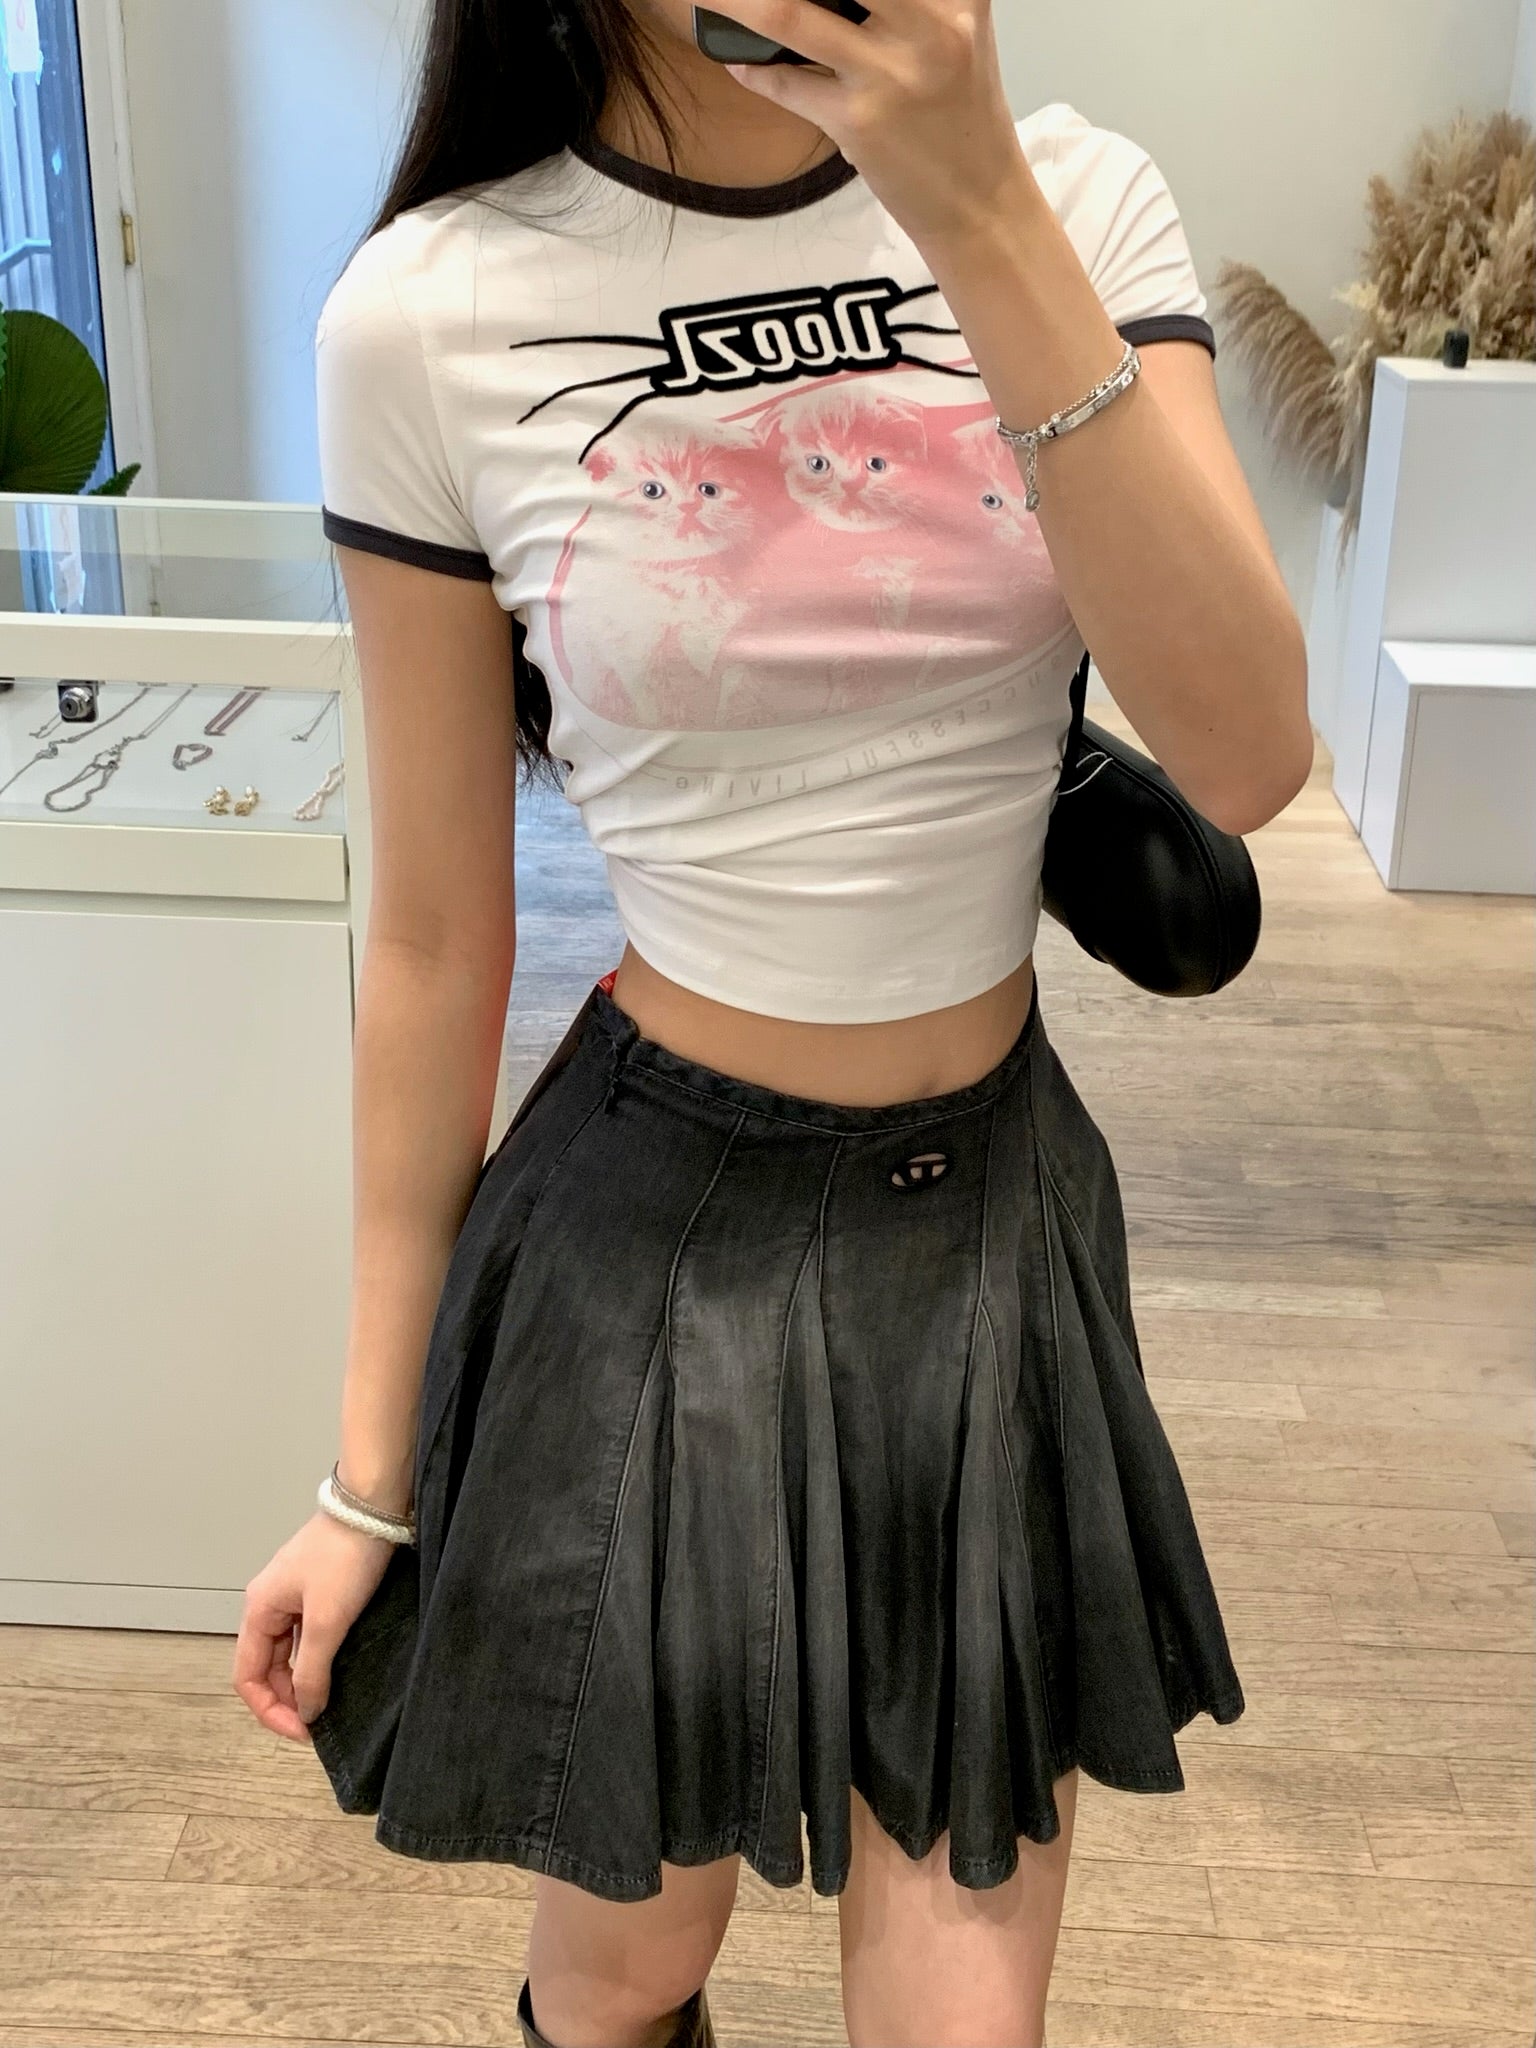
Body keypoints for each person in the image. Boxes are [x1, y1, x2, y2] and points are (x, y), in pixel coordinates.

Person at [233, 0, 1313, 2042]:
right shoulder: (432, 311)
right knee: (626, 1966)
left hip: (985, 1232)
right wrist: (370, 1479)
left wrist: (974, 204)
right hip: (650, 1253)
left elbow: (1249, 750)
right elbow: (439, 942)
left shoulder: (1074, 200)